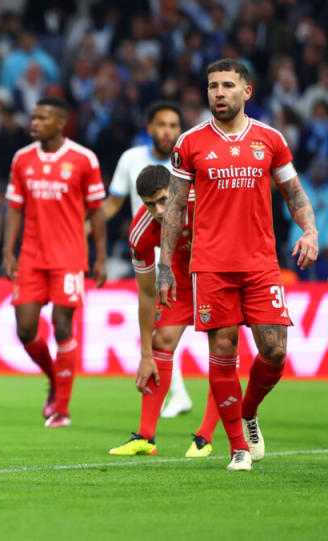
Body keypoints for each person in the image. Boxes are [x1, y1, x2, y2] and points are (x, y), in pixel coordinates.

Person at [159, 59, 319, 471]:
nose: (219, 93)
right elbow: (174, 207)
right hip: (211, 265)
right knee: (223, 350)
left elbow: (293, 191)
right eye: (213, 86)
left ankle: (248, 412)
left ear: (247, 91)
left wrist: (310, 230)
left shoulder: (270, 139)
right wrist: (164, 265)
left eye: (228, 85)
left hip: (261, 263)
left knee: (274, 351)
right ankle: (238, 448)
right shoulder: (190, 143)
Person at [2, 96, 107, 428]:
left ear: (60, 123)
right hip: (32, 257)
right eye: (33, 117)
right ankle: (54, 377)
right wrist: (8, 251)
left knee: (63, 326)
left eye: (42, 118)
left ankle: (61, 408)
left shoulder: (83, 160)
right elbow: (15, 208)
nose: (33, 122)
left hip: (68, 258)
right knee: (25, 329)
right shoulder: (21, 160)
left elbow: (97, 212)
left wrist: (100, 257)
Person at [108, 165, 219, 458]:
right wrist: (145, 356)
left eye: (162, 200)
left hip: (219, 278)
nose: (157, 210)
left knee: (222, 348)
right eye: (148, 204)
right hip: (181, 283)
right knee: (161, 342)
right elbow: (146, 294)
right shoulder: (141, 232)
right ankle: (146, 436)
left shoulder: (204, 198)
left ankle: (204, 437)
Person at [103, 101, 194, 419]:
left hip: (191, 256)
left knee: (209, 335)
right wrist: (87, 227)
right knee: (162, 330)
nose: (167, 131)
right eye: (161, 124)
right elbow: (113, 204)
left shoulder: (188, 162)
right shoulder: (131, 159)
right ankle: (178, 394)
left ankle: (187, 400)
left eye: (173, 125)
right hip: (148, 249)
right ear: (149, 128)